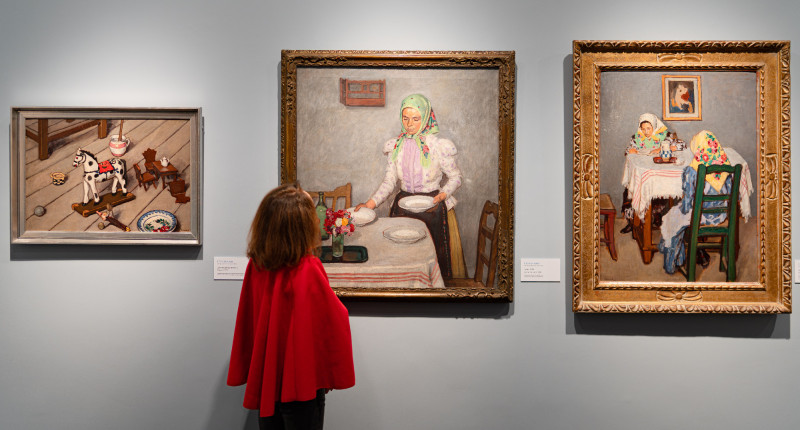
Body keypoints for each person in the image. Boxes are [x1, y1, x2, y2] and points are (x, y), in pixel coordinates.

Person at [227, 183, 355, 429]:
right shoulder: (308, 268)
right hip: (303, 384)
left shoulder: (258, 266)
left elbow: (249, 322)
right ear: (301, 225)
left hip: (269, 379)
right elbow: (332, 320)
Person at [355, 94, 465, 278]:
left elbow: (456, 177)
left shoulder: (437, 146)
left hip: (433, 208)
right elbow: (389, 181)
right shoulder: (396, 146)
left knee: (431, 261)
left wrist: (444, 194)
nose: (409, 124)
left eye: (415, 119)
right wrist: (369, 204)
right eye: (405, 118)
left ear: (426, 118)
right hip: (403, 208)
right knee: (402, 260)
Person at [658, 130, 733, 275]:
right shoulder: (727, 167)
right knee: (676, 214)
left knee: (672, 217)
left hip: (700, 216)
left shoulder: (693, 170)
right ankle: (694, 255)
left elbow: (688, 203)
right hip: (721, 215)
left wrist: (683, 207)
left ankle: (674, 262)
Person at [620, 113, 675, 234]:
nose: (646, 132)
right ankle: (632, 221)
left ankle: (656, 215)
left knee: (658, 190)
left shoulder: (664, 136)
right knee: (631, 191)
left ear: (654, 126)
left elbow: (680, 145)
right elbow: (628, 150)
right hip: (641, 172)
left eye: (649, 128)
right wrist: (631, 151)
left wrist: (662, 149)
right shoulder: (637, 138)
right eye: (643, 129)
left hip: (658, 173)